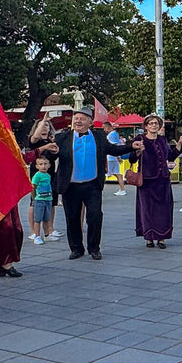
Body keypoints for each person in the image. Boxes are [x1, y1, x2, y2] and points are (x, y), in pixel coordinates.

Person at [54, 106, 135, 261]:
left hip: (92, 185)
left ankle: (94, 248)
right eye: (76, 118)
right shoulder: (62, 138)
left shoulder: (98, 137)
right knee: (72, 218)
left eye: (82, 119)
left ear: (90, 122)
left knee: (95, 216)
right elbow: (50, 155)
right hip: (70, 185)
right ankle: (76, 248)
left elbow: (113, 149)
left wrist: (131, 146)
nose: (78, 121)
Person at [131, 114, 179, 249]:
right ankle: (149, 237)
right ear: (146, 126)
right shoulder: (139, 139)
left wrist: (179, 145)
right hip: (146, 180)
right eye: (151, 123)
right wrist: (138, 152)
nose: (154, 125)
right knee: (147, 209)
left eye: (156, 123)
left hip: (162, 179)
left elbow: (170, 156)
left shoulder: (163, 140)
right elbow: (131, 159)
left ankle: (162, 237)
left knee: (164, 209)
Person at [29, 157, 54, 244]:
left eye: (45, 164)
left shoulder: (48, 176)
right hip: (39, 200)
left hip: (48, 199)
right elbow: (33, 187)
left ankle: (47, 235)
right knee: (38, 219)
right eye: (41, 164)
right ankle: (37, 236)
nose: (43, 166)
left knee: (47, 219)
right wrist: (34, 198)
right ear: (37, 166)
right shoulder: (37, 175)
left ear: (49, 165)